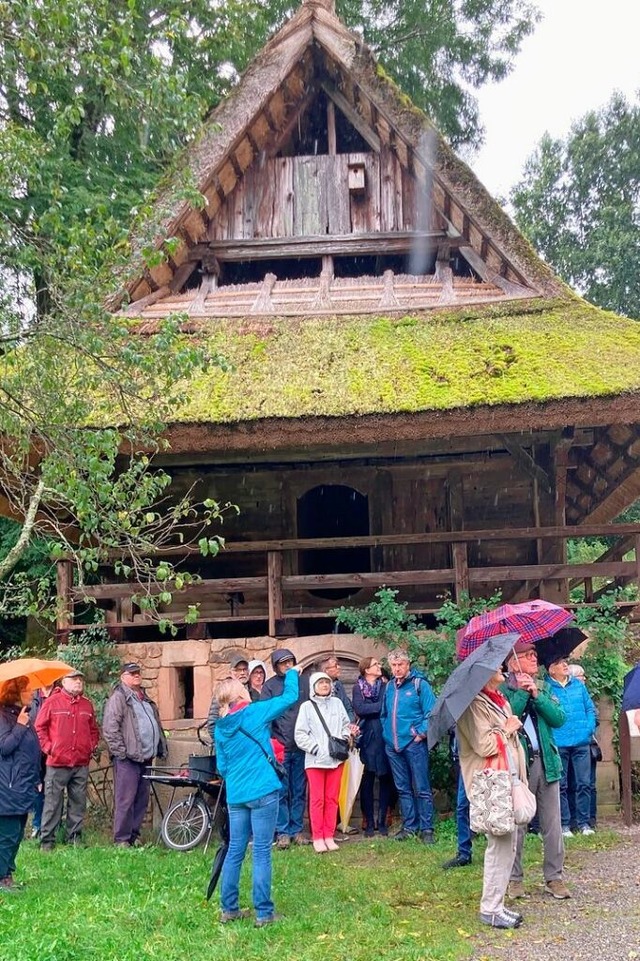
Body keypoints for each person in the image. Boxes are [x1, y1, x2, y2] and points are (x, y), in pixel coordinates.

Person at [215, 666, 300, 927]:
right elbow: (289, 698)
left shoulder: (220, 727)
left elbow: (222, 768)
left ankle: (229, 909)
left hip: (237, 795)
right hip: (263, 789)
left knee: (235, 851)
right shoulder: (255, 712)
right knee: (262, 851)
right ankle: (264, 913)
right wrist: (293, 674)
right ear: (241, 694)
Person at [457, 664, 526, 929]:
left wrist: (510, 726)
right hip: (489, 782)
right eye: (496, 665)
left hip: (506, 778)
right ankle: (490, 908)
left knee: (508, 842)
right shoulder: (473, 705)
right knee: (499, 843)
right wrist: (507, 728)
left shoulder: (498, 700)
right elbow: (484, 745)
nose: (503, 667)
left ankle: (497, 904)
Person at [502, 641, 570, 900]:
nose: (534, 658)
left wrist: (537, 696)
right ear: (513, 661)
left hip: (547, 762)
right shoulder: (503, 690)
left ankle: (554, 878)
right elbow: (509, 718)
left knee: (553, 823)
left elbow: (559, 718)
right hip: (519, 765)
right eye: (528, 655)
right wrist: (521, 693)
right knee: (518, 823)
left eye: (534, 654)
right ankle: (515, 879)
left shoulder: (542, 686)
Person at [102, 662, 167, 847]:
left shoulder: (144, 698)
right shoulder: (119, 698)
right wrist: (121, 753)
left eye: (138, 673)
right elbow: (110, 729)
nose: (136, 676)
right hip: (128, 759)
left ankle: (134, 835)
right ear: (123, 677)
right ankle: (121, 839)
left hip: (145, 757)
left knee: (141, 799)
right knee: (125, 799)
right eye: (132, 673)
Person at [35, 669, 100, 850]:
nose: (78, 682)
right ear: (63, 682)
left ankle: (74, 838)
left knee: (78, 803)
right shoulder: (52, 702)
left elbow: (94, 730)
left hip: (80, 762)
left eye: (80, 679)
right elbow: (39, 728)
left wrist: (91, 746)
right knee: (52, 803)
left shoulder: (87, 705)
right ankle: (47, 841)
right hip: (57, 762)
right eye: (74, 679)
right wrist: (49, 749)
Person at [295, 671, 358, 853]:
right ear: (314, 686)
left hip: (335, 759)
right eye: (321, 682)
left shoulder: (337, 704)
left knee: (332, 799)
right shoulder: (307, 707)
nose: (324, 685)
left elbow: (347, 724)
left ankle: (329, 835)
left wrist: (345, 737)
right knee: (317, 800)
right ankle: (318, 836)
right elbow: (300, 733)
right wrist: (315, 748)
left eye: (327, 682)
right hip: (315, 761)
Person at [381, 649, 436, 843]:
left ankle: (427, 828)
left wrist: (419, 733)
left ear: (408, 664)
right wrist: (386, 733)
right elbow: (384, 714)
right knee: (402, 788)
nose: (397, 669)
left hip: (413, 744)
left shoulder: (420, 685)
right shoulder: (389, 687)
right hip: (393, 745)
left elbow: (431, 713)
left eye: (400, 665)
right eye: (394, 665)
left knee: (421, 787)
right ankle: (409, 826)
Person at [261, 648, 310, 848]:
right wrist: (273, 742)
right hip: (280, 747)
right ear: (276, 666)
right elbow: (266, 716)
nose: (288, 665)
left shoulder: (303, 682)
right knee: (281, 791)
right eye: (283, 662)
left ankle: (296, 830)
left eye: (290, 661)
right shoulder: (269, 686)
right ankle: (283, 832)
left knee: (298, 790)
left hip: (300, 746)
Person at [544, 656, 596, 837]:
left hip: (582, 741)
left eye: (565, 661)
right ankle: (564, 824)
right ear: (551, 669)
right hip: (559, 742)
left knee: (584, 783)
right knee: (561, 785)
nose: (565, 665)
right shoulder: (546, 687)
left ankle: (584, 823)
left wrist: (588, 730)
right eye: (559, 662)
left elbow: (590, 709)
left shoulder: (579, 685)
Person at [0, 677, 41, 891]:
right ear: (15, 692)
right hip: (8, 786)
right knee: (7, 834)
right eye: (28, 689)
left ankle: (7, 875)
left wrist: (38, 779)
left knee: (16, 834)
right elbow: (5, 747)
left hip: (23, 785)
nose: (33, 693)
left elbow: (31, 751)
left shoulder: (21, 715)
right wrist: (19, 727)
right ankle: (1, 878)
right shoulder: (4, 717)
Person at [351, 656, 394, 837]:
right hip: (367, 737)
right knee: (367, 779)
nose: (379, 666)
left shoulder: (385, 686)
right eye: (375, 664)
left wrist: (373, 708)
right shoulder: (357, 687)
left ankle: (383, 820)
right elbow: (360, 709)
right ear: (366, 669)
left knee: (385, 778)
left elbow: (388, 707)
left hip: (384, 735)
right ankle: (368, 821)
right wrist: (378, 707)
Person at [442, 735, 474, 869]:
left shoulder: (478, 714)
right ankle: (464, 853)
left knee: (485, 807)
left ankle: (496, 850)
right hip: (461, 761)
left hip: (477, 761)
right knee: (462, 807)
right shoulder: (457, 717)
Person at [28, 683, 54, 838]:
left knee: (53, 790)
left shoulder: (58, 695)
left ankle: (52, 824)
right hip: (35, 750)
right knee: (38, 788)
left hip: (53, 750)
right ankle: (37, 824)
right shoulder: (32, 697)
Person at [207, 654, 250, 739]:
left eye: (244, 669)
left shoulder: (251, 689)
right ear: (231, 673)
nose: (242, 673)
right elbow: (212, 723)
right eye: (238, 670)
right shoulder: (223, 691)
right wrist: (223, 742)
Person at [316, 656, 355, 721]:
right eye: (335, 666)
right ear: (325, 670)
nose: (339, 667)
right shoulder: (314, 689)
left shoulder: (338, 684)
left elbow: (348, 708)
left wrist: (350, 723)